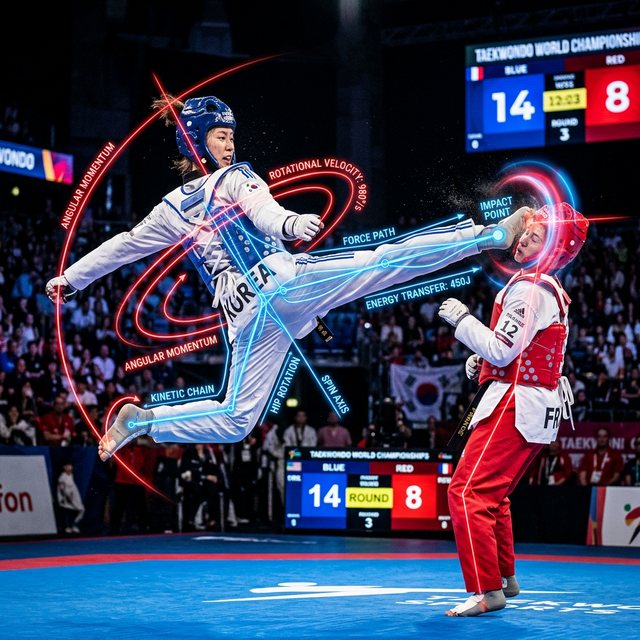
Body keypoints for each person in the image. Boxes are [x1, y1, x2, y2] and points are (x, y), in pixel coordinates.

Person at [46, 94, 527, 462]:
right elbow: (264, 211)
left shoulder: (171, 208)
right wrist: (291, 223)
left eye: (231, 136)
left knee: (235, 418)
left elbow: (125, 244)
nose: (230, 144)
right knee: (382, 263)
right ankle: (486, 236)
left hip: (247, 317)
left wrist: (71, 278)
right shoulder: (235, 177)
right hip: (279, 284)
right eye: (219, 136)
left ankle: (144, 421)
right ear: (194, 142)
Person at [437, 202, 588, 617]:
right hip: (530, 402)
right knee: (495, 496)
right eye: (527, 232)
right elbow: (524, 351)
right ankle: (504, 577)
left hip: (515, 404)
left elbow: (502, 349)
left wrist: (462, 321)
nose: (522, 239)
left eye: (535, 237)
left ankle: (486, 590)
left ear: (552, 250)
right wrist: (484, 364)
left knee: (466, 492)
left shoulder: (530, 289)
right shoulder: (546, 288)